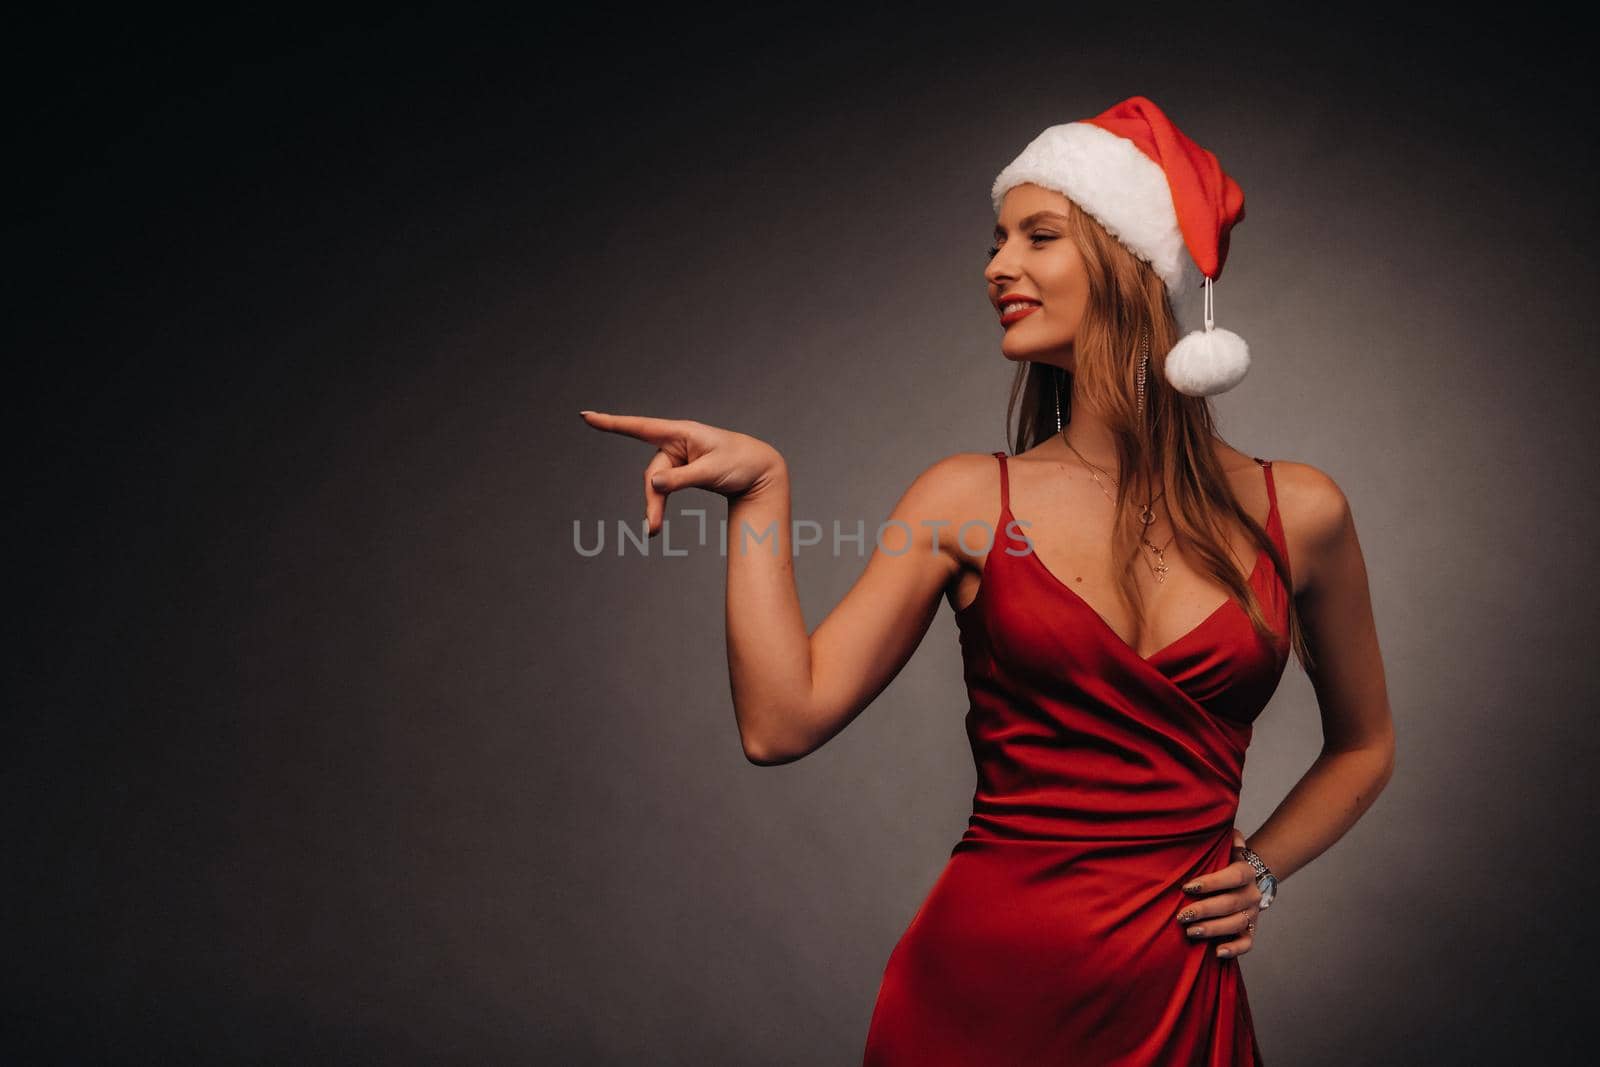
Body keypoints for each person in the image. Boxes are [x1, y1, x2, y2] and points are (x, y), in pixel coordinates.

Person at [580, 94, 1395, 1066]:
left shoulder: (1298, 509)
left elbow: (1364, 742)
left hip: (1177, 997)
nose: (995, 266)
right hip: (977, 998)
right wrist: (761, 495)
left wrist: (1260, 865)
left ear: (1131, 263)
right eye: (995, 240)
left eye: (1035, 236)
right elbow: (779, 721)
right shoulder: (964, 498)